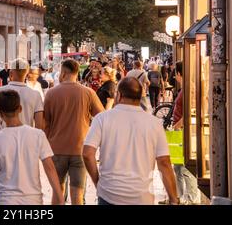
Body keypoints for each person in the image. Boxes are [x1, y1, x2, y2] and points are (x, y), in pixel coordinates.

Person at [83, 77, 179, 205]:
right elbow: (164, 163)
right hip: (142, 197)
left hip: (109, 194)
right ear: (140, 97)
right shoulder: (154, 124)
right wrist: (173, 199)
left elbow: (87, 154)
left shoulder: (102, 119)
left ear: (119, 95)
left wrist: (98, 183)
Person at [0, 90, 64, 205]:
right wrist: (59, 196)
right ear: (20, 109)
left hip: (5, 200)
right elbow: (50, 168)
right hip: (33, 200)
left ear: (0, 114)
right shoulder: (38, 135)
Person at [44, 59, 104, 205]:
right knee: (78, 193)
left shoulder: (51, 94)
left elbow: (45, 124)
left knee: (58, 192)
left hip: (56, 149)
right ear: (77, 73)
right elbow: (102, 117)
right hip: (80, 148)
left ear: (63, 73)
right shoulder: (88, 93)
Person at [0, 59, 44, 134]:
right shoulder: (35, 94)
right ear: (26, 74)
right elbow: (39, 125)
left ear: (10, 73)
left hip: (4, 139)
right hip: (26, 139)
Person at [170, 62, 200, 204]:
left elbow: (190, 110)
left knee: (186, 168)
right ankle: (179, 197)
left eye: (176, 74)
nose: (175, 77)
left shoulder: (189, 88)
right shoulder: (185, 88)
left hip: (184, 131)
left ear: (179, 74)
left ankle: (192, 199)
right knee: (177, 166)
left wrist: (177, 125)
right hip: (180, 131)